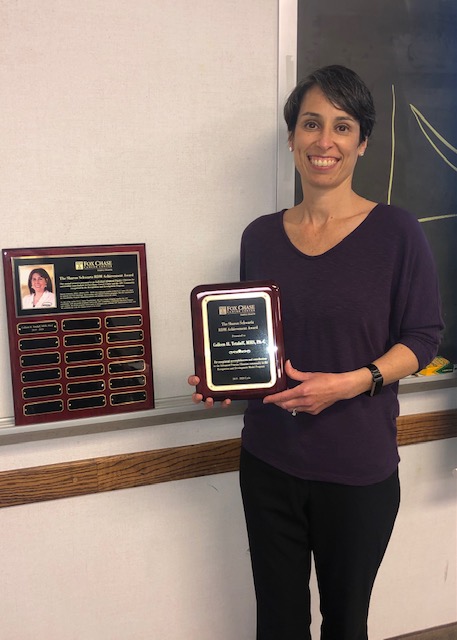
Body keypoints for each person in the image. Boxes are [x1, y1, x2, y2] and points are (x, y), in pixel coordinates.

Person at [189, 65, 443, 639]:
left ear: (362, 141)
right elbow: (257, 342)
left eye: (342, 126)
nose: (324, 141)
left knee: (345, 624)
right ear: (291, 137)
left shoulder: (397, 232)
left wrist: (352, 382)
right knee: (277, 624)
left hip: (356, 469)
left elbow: (424, 337)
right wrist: (223, 376)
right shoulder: (258, 235)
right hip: (268, 461)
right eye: (311, 124)